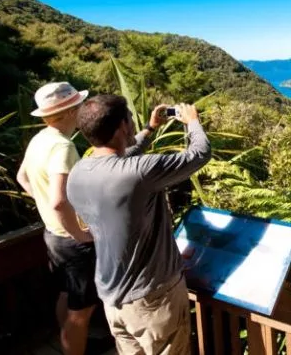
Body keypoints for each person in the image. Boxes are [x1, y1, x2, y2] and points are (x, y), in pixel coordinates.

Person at [67, 95, 210, 355]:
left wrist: (150, 128)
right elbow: (200, 153)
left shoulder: (79, 172)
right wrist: (192, 123)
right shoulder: (140, 172)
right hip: (153, 298)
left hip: (113, 299)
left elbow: (121, 160)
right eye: (130, 118)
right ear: (122, 126)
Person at [16, 82, 96, 355]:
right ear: (71, 111)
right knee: (82, 310)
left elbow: (22, 177)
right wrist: (79, 233)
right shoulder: (63, 147)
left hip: (52, 235)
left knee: (67, 294)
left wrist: (46, 208)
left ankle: (67, 341)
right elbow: (59, 200)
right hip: (70, 239)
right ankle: (74, 346)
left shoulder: (40, 139)